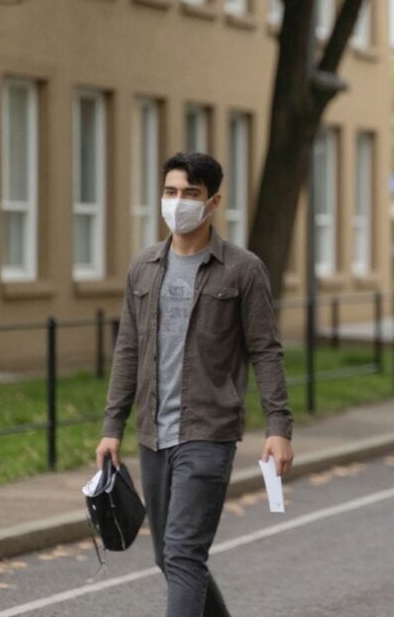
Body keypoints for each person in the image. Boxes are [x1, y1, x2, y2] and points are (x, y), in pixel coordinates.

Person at [97, 152, 294, 616]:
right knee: (169, 557)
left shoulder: (242, 270)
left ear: (212, 202)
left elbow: (266, 350)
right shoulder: (143, 267)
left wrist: (279, 427)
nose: (178, 202)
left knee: (184, 553)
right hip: (153, 432)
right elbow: (127, 349)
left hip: (208, 431)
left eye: (190, 194)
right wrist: (112, 427)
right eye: (170, 192)